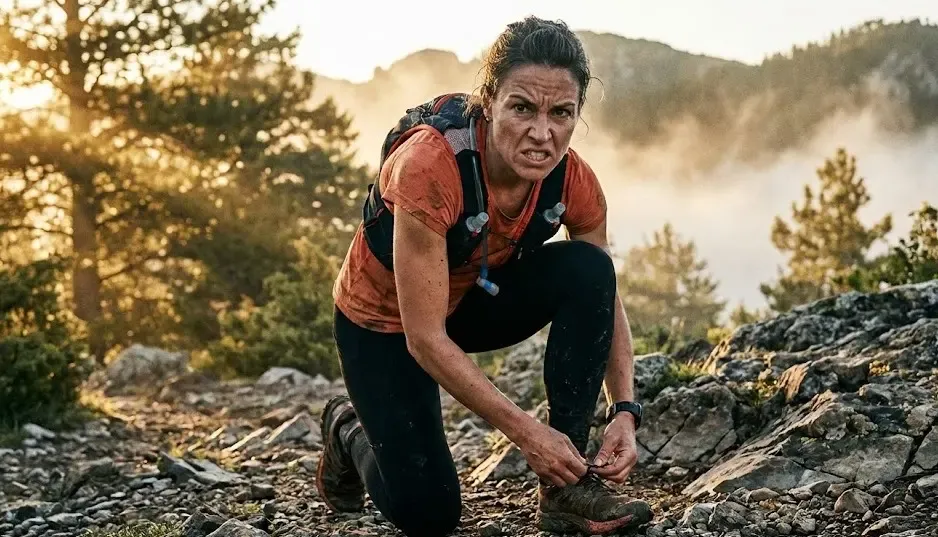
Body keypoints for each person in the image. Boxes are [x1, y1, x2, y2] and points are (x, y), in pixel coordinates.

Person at [318, 16, 652, 537]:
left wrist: (625, 410)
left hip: (474, 297)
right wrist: (527, 434)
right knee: (429, 515)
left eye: (561, 113)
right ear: (490, 100)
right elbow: (424, 339)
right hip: (386, 323)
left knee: (590, 268)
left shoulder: (574, 179)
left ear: (577, 114)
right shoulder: (429, 166)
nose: (542, 133)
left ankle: (565, 490)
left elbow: (602, 295)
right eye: (522, 107)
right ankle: (348, 429)